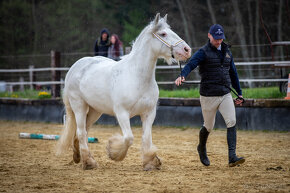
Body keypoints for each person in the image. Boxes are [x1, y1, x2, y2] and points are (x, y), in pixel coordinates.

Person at [175, 24, 245, 167]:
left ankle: (232, 156)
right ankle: (201, 147)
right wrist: (182, 75)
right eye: (216, 38)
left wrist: (239, 93)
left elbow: (233, 73)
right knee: (208, 126)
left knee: (231, 121)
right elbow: (191, 64)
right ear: (209, 36)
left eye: (221, 38)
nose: (219, 41)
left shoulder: (227, 51)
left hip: (225, 93)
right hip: (208, 95)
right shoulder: (203, 52)